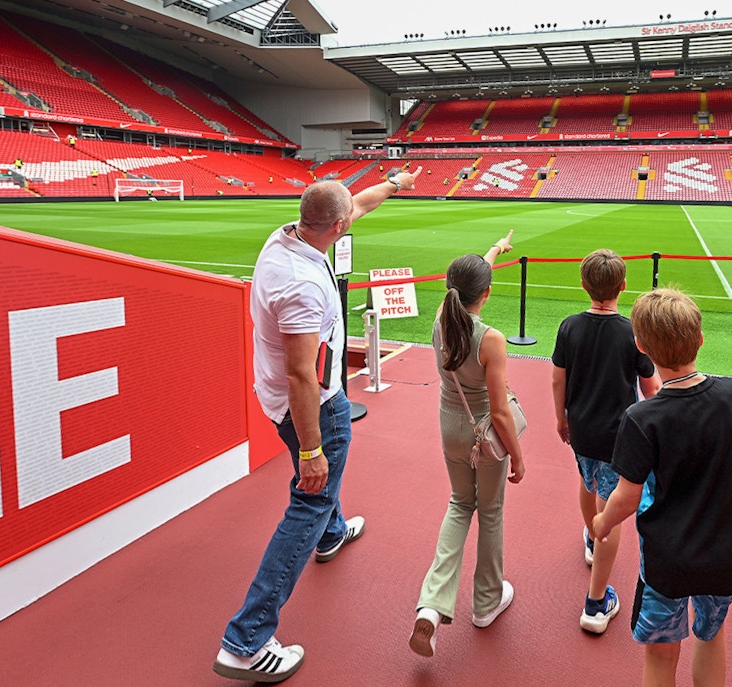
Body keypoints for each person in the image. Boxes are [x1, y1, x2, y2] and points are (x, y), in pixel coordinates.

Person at [214, 169, 422, 683]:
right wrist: (311, 450)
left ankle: (329, 533)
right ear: (336, 227)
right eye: (348, 217)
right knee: (309, 494)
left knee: (320, 498)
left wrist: (396, 181)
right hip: (313, 405)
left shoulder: (288, 236)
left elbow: (360, 205)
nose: (355, 217)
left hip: (291, 398)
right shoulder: (302, 285)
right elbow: (301, 376)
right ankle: (246, 639)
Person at [591, 288, 732, 687]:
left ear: (641, 346)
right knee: (710, 635)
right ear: (701, 339)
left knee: (660, 652)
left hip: (667, 564)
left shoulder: (640, 418)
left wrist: (602, 522)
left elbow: (627, 496)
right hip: (727, 558)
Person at [410, 230, 524, 659]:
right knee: (490, 512)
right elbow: (499, 413)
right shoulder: (490, 338)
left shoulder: (443, 316)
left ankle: (432, 605)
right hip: (483, 434)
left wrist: (494, 249)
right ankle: (486, 602)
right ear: (487, 293)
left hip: (449, 425)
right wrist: (518, 455)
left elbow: (466, 283)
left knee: (460, 504)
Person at [551, 249, 660, 635]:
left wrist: (560, 417)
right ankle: (596, 603)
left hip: (581, 431)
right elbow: (651, 388)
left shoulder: (568, 327)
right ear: (623, 287)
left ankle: (593, 538)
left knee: (588, 483)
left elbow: (557, 379)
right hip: (618, 438)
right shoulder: (632, 332)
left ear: (584, 285)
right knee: (610, 511)